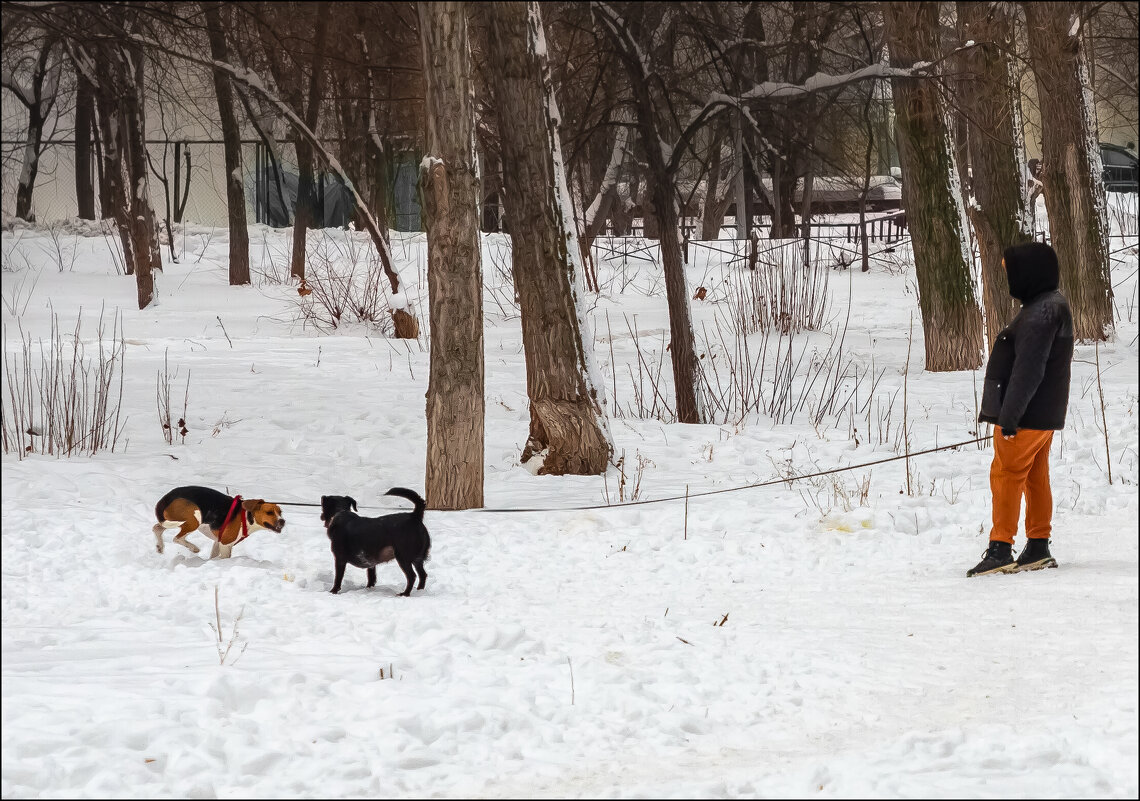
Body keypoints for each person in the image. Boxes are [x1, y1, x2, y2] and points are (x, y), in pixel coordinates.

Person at [968, 242, 1074, 577]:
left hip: (1027, 416)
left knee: (1006, 474)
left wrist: (1009, 418)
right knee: (1033, 475)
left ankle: (1001, 548)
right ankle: (1038, 545)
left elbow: (1028, 371)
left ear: (1029, 274)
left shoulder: (1041, 313)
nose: (1008, 278)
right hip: (1042, 416)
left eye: (1011, 271)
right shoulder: (1048, 306)